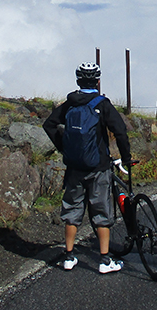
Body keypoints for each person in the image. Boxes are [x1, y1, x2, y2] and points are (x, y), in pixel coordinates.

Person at [42, 62, 131, 274]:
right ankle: (104, 260)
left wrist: (64, 147)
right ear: (98, 81)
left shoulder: (70, 103)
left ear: (77, 80)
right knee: (101, 211)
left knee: (72, 209)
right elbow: (120, 132)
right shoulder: (103, 104)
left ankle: (69, 256)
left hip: (74, 166)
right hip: (98, 166)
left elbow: (49, 124)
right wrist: (125, 158)